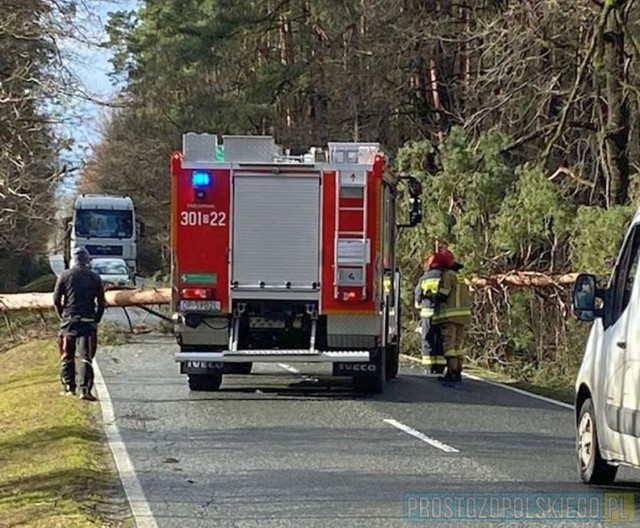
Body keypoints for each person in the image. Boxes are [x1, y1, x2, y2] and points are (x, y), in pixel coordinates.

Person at [53, 246, 106, 400]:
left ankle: (69, 387)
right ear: (87, 260)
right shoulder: (95, 277)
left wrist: (62, 316)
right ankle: (85, 390)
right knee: (86, 357)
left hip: (69, 321)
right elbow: (102, 303)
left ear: (73, 260)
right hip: (88, 322)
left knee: (66, 355)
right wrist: (96, 319)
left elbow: (56, 300)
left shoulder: (64, 276)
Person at [430, 249, 472, 386]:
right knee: (457, 346)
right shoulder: (460, 276)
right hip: (463, 317)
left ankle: (451, 372)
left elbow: (444, 293)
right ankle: (458, 371)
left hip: (450, 318)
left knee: (449, 345)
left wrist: (432, 296)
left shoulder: (448, 275)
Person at [414, 254, 446, 373]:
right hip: (442, 314)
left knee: (427, 338)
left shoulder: (424, 278)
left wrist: (419, 305)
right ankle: (440, 366)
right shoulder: (445, 276)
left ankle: (429, 366)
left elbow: (418, 294)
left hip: (427, 314)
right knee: (441, 339)